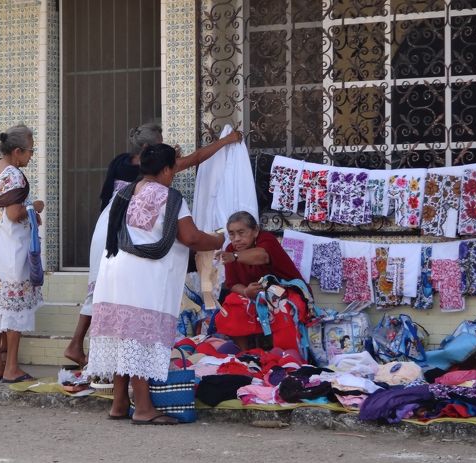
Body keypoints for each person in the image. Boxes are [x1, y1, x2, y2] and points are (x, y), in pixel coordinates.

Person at [64, 123, 243, 366]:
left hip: (109, 226)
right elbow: (197, 159)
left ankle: (82, 347)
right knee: (130, 307)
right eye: (160, 145)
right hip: (124, 233)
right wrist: (227, 140)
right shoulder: (157, 176)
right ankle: (114, 363)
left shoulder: (122, 162)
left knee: (103, 291)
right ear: (153, 154)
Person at [86, 143, 225, 424]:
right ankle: (144, 408)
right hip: (142, 275)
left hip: (113, 269)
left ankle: (119, 402)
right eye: (173, 168)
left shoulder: (124, 192)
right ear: (165, 169)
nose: (173, 174)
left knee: (123, 335)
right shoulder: (169, 197)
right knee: (139, 336)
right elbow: (191, 238)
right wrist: (219, 240)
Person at [0, 124, 44, 383]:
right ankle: (12, 367)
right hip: (11, 252)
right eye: (30, 151)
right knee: (15, 309)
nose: (31, 156)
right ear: (17, 151)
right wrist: (34, 208)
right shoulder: (14, 175)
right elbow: (14, 214)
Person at [215, 211, 309, 352]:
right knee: (232, 302)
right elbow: (232, 283)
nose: (236, 239)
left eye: (241, 233)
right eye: (232, 234)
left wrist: (234, 256)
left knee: (281, 305)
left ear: (255, 231)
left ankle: (288, 355)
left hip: (283, 289)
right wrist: (246, 291)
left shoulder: (266, 240)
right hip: (255, 292)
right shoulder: (230, 249)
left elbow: (262, 256)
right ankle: (244, 354)